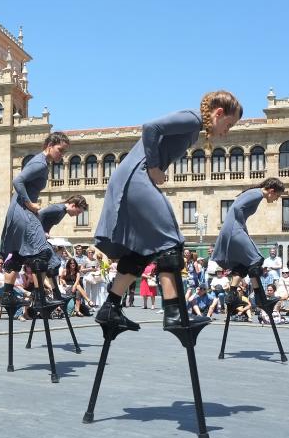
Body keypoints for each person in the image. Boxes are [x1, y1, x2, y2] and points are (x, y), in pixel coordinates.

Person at [94, 92, 242, 331]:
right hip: (138, 176)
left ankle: (110, 307)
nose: (227, 131)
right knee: (170, 242)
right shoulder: (193, 118)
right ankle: (173, 312)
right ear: (219, 113)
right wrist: (153, 166)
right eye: (229, 124)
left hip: (135, 177)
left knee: (143, 250)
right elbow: (150, 127)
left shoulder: (194, 127)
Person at [0, 132, 69, 311]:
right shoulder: (39, 163)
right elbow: (18, 180)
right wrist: (30, 203)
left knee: (19, 254)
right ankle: (40, 298)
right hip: (22, 211)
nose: (61, 155)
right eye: (60, 150)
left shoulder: (42, 163)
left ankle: (7, 296)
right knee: (43, 252)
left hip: (19, 211)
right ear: (50, 146)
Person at [212, 178, 286, 319]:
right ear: (271, 191)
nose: (276, 199)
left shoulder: (254, 193)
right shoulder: (257, 194)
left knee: (243, 265)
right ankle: (260, 300)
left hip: (233, 229)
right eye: (277, 196)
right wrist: (240, 226)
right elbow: (236, 209)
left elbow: (237, 209)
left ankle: (231, 295)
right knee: (256, 260)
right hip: (234, 229)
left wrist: (242, 228)